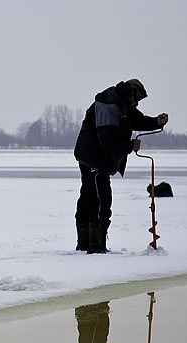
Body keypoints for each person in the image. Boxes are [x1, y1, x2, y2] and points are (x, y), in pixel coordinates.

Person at [73, 79, 168, 253]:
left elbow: (137, 121)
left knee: (90, 197)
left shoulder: (123, 104)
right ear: (129, 95)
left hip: (98, 159)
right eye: (136, 100)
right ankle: (95, 246)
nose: (137, 103)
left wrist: (156, 122)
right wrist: (130, 146)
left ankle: (86, 245)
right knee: (99, 200)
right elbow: (107, 139)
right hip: (92, 158)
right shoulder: (108, 106)